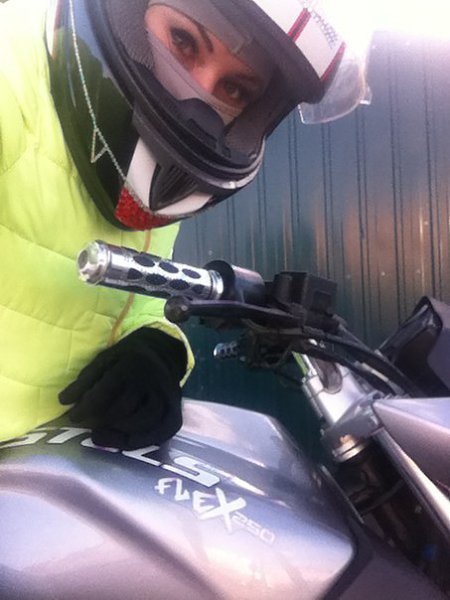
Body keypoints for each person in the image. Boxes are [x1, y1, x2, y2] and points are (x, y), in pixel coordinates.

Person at [0, 0, 370, 449]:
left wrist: (159, 350)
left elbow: (133, 304)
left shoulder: (146, 179)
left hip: (54, 469)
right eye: (182, 41)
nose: (195, 101)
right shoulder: (11, 80)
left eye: (234, 89)